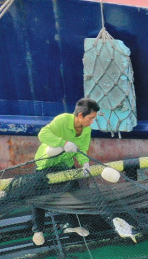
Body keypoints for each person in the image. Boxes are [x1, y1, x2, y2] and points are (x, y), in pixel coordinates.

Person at [31, 97, 100, 246]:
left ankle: (73, 225)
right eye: (91, 118)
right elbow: (43, 134)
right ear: (80, 116)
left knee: (73, 192)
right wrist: (64, 143)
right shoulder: (62, 120)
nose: (92, 122)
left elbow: (82, 149)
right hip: (46, 163)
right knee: (39, 196)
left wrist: (85, 162)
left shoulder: (86, 130)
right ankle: (38, 231)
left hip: (66, 163)